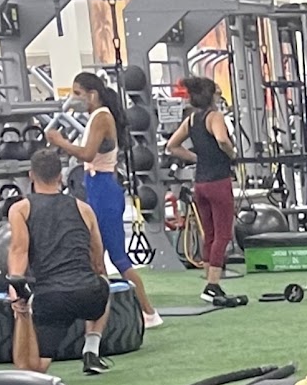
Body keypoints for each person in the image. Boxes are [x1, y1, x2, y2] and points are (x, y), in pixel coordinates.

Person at [45, 71, 162, 329]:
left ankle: (149, 312)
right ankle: (101, 313)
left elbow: (87, 154)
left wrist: (60, 142)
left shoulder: (101, 117)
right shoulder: (96, 117)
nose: (73, 98)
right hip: (97, 186)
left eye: (77, 93)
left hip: (104, 189)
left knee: (117, 256)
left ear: (92, 94)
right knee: (95, 257)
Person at [7, 146, 112, 377]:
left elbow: (18, 251)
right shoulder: (84, 209)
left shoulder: (20, 209)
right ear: (60, 176)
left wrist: (16, 293)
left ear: (31, 176)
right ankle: (91, 349)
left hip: (52, 299)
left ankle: (26, 316)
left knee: (33, 370)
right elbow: (97, 262)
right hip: (89, 294)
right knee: (104, 283)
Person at [166, 75, 236, 301]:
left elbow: (172, 146)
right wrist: (232, 154)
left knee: (210, 234)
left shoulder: (191, 120)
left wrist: (197, 158)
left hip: (201, 184)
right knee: (223, 234)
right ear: (212, 96)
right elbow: (222, 140)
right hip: (219, 182)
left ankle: (209, 283)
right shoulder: (214, 117)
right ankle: (213, 285)